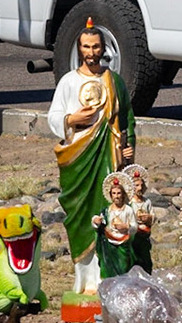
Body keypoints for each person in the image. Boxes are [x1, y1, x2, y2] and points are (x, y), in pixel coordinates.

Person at [47, 20, 137, 293]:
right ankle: (83, 279)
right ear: (79, 48)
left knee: (109, 211)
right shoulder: (69, 82)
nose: (91, 51)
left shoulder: (113, 81)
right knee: (79, 215)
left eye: (96, 46)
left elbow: (127, 118)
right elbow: (53, 116)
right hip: (78, 159)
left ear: (103, 48)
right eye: (86, 46)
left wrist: (129, 145)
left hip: (108, 155)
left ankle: (107, 277)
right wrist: (73, 118)